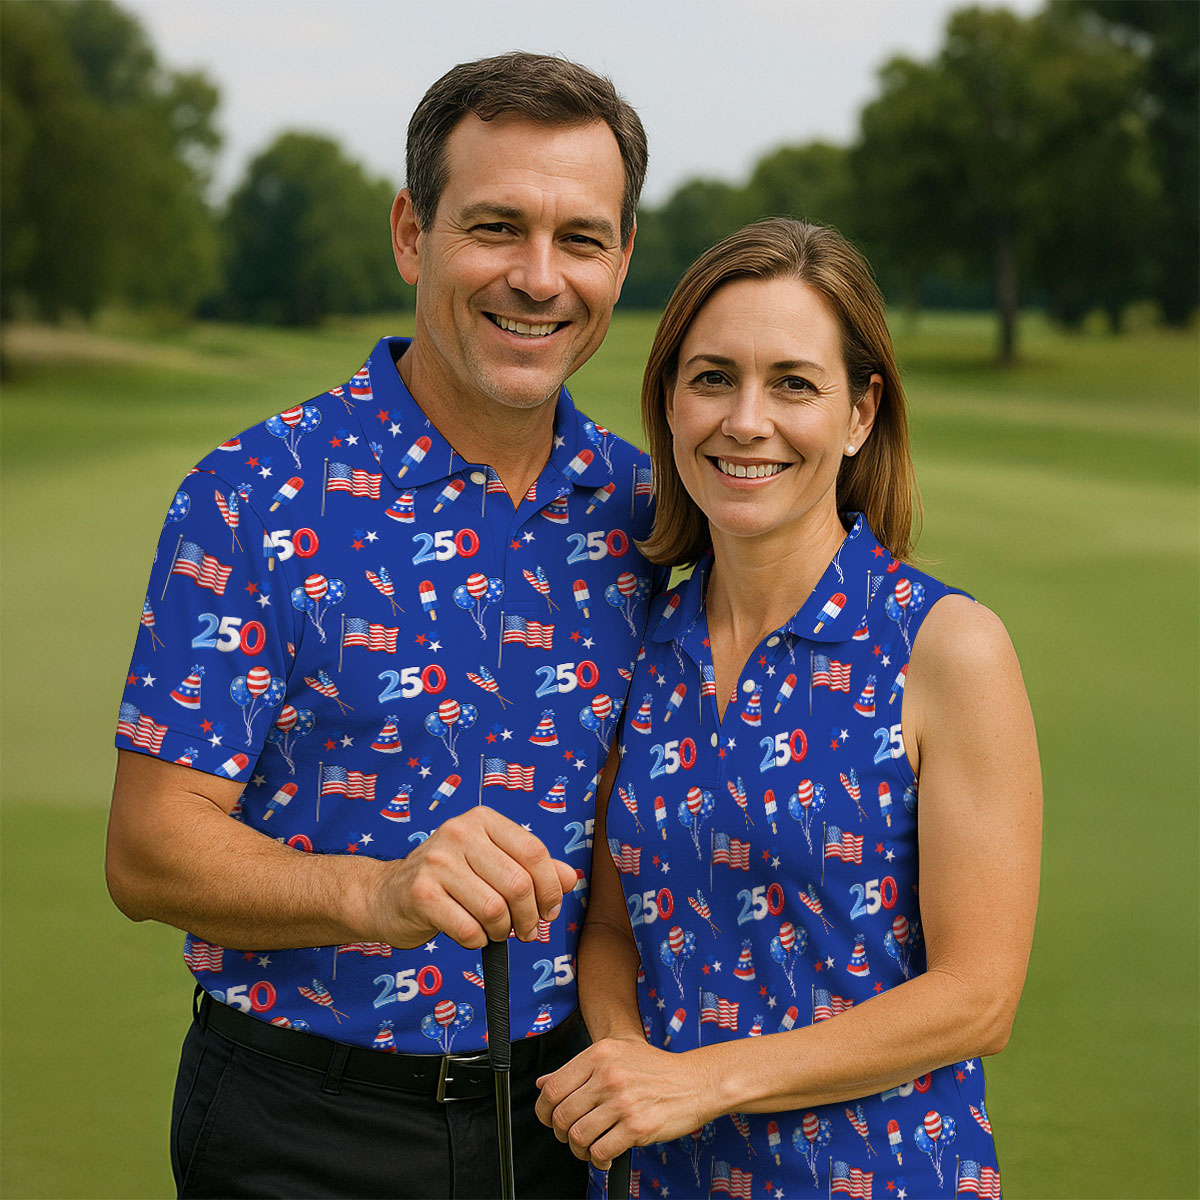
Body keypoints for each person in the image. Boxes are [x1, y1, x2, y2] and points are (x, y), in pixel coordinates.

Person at [106, 52, 664, 1199]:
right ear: (414, 234)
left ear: (621, 259)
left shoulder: (647, 514)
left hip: (560, 1119)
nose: (539, 278)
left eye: (581, 239)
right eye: (496, 227)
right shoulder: (256, 494)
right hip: (302, 1126)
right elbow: (148, 849)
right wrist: (376, 892)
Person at [535, 218, 1042, 1198]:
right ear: (670, 402)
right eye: (713, 378)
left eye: (794, 384)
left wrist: (701, 1082)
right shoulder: (641, 640)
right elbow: (608, 929)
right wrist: (626, 1060)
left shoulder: (946, 648)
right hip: (658, 1181)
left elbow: (978, 997)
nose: (745, 420)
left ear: (860, 413)